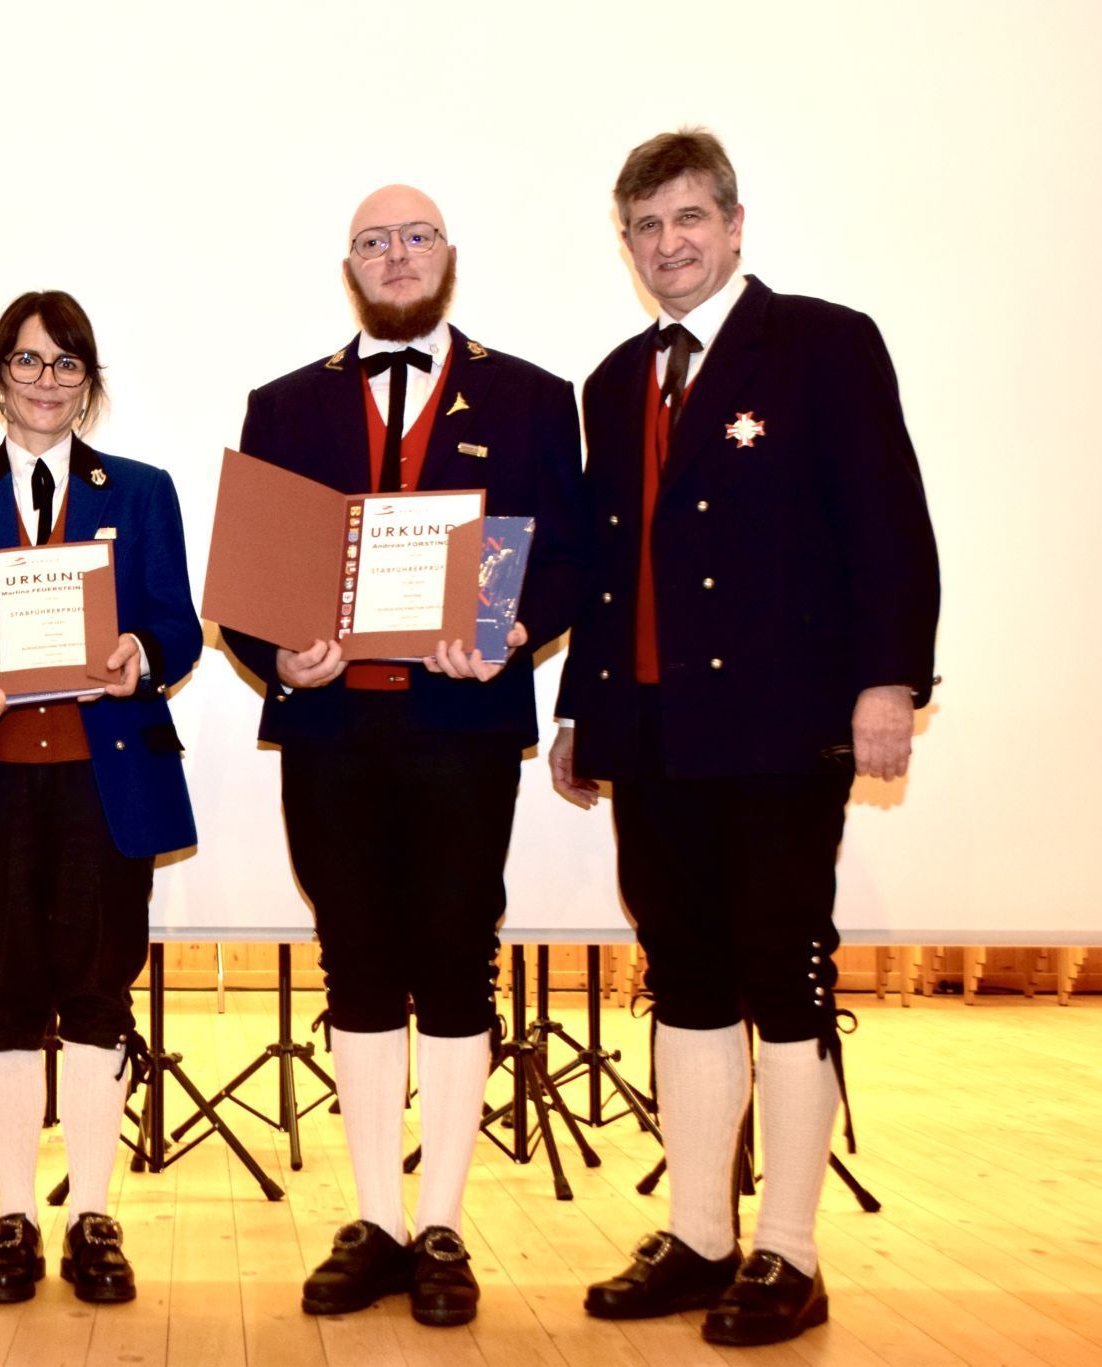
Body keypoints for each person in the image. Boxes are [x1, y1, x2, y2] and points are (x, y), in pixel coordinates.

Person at [551, 129, 939, 1347]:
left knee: (781, 972)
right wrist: (579, 708)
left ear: (731, 224)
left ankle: (788, 1250)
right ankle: (698, 1235)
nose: (667, 243)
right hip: (652, 729)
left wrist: (887, 681)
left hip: (779, 725)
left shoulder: (822, 343)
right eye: (644, 227)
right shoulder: (613, 380)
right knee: (682, 974)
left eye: (687, 218)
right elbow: (607, 562)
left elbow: (887, 520)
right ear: (625, 246)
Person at [222, 186, 590, 1325]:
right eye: (374, 242)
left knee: (456, 963)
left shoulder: (532, 398)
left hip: (458, 733)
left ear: (447, 257)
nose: (396, 256)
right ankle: (377, 1220)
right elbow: (248, 589)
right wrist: (281, 657)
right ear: (351, 267)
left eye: (415, 237)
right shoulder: (285, 406)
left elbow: (570, 561)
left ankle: (441, 1223)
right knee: (356, 964)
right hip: (331, 736)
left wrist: (512, 633)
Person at [0, 290, 199, 1305]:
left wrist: (140, 651)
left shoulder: (142, 492)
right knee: (4, 995)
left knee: (100, 992)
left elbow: (178, 627)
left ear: (88, 382)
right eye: (26, 361)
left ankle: (92, 1215)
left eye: (66, 363)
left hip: (103, 784)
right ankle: (14, 1214)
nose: (45, 380)